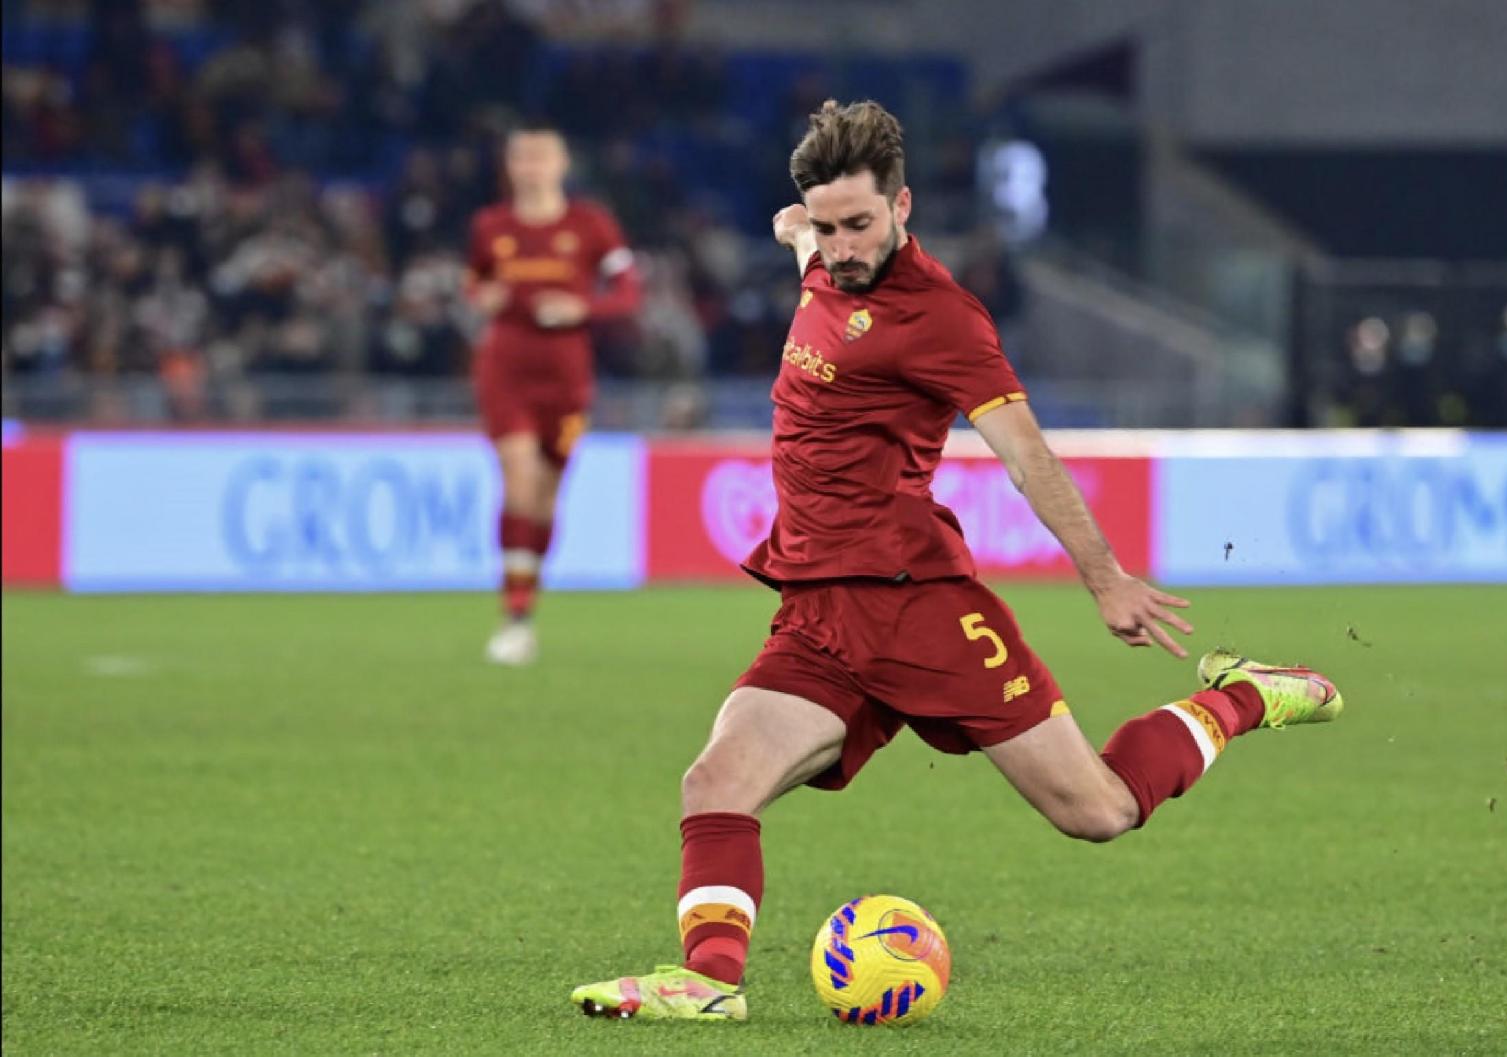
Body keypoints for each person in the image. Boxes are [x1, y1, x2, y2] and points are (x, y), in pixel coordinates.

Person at [569, 100, 1344, 1021]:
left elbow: (1027, 456)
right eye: (826, 225)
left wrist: (1107, 579)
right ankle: (709, 983)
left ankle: (1248, 694)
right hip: (818, 611)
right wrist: (800, 230)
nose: (842, 244)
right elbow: (801, 241)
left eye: (860, 223)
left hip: (915, 606)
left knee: (1096, 810)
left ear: (902, 208)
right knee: (715, 780)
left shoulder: (942, 317)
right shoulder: (820, 257)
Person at [466, 124, 641, 665]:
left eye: (542, 156)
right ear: (510, 165)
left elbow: (631, 291)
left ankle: (526, 600)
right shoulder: (490, 226)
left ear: (562, 164)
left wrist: (582, 309)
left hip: (566, 379)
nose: (532, 166)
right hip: (506, 370)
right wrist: (483, 297)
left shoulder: (590, 225)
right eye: (522, 156)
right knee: (518, 480)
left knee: (544, 496)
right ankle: (514, 615)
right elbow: (473, 283)